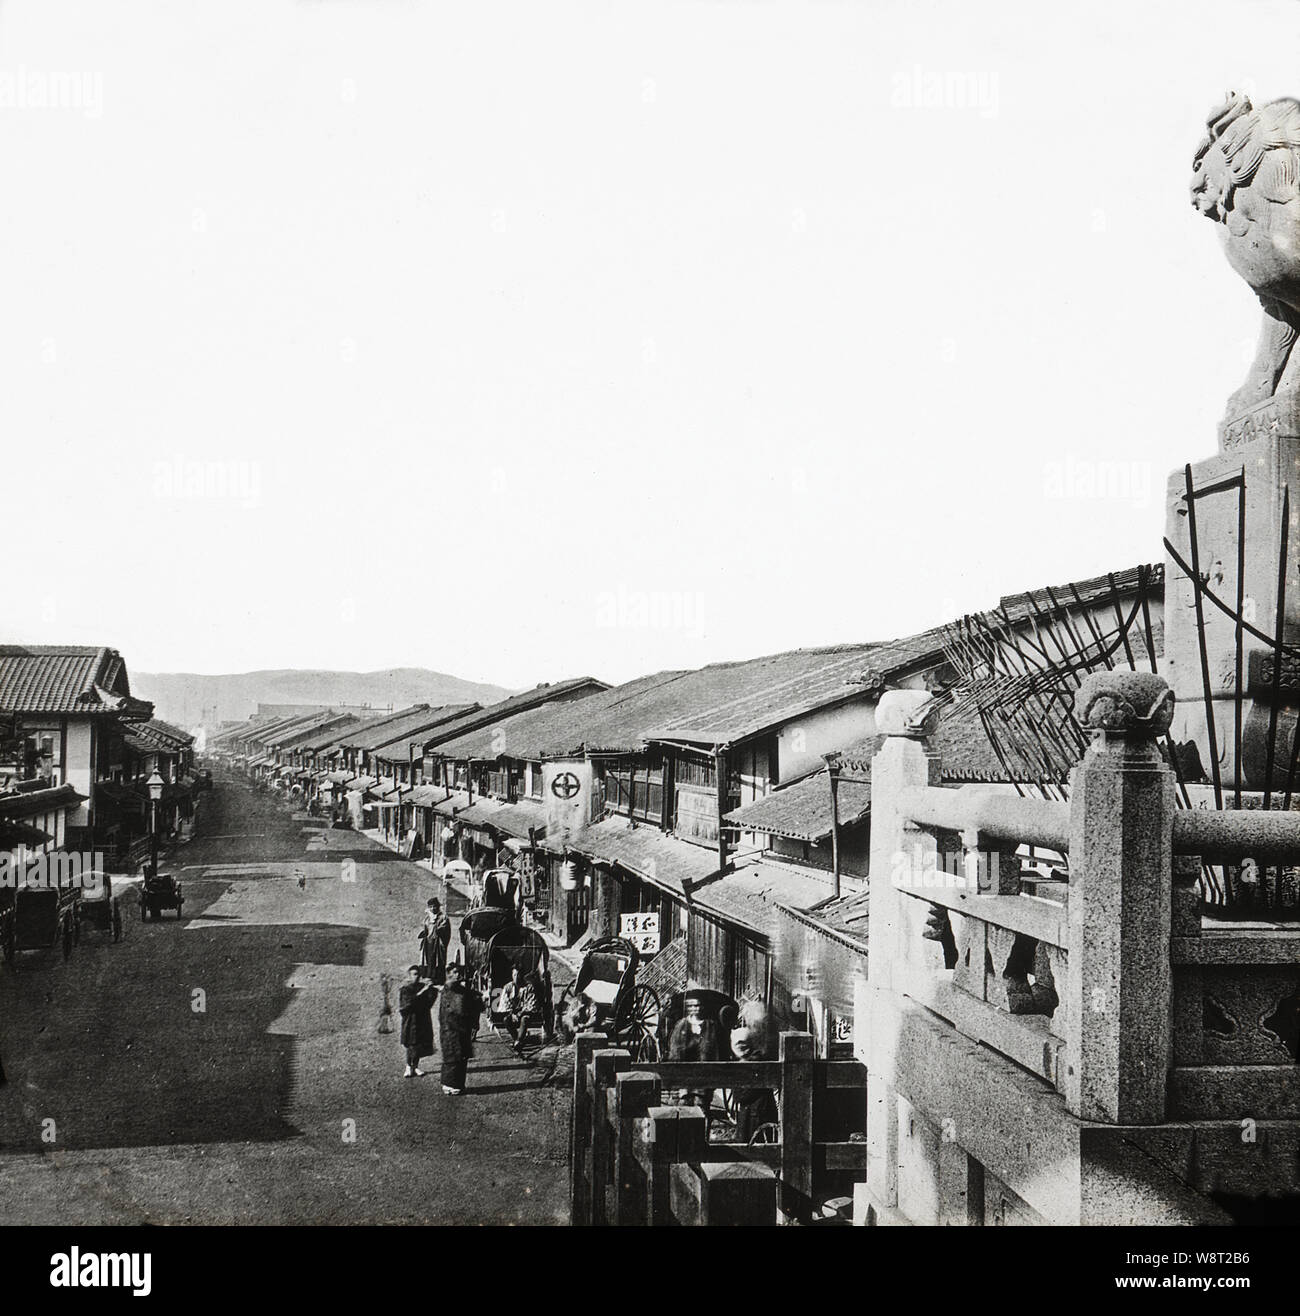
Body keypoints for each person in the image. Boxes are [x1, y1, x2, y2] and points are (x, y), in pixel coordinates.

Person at [667, 994, 721, 1115]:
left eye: (698, 1005)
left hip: (703, 1074)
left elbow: (714, 1050)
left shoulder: (710, 1025)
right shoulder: (681, 1025)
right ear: (687, 1008)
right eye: (692, 1006)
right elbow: (675, 1050)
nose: (695, 1008)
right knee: (684, 1106)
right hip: (684, 1074)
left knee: (701, 1107)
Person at [437, 963, 483, 1094]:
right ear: (449, 974)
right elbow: (459, 1008)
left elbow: (469, 995)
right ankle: (448, 1084)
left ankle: (457, 1084)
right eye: (455, 972)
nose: (458, 975)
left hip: (461, 1028)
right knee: (452, 1056)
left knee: (461, 1056)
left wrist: (477, 996)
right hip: (451, 1029)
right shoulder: (449, 990)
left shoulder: (459, 989)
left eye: (459, 972)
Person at [398, 965, 436, 1078]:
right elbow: (406, 1005)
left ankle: (416, 1066)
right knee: (411, 1044)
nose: (417, 977)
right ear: (409, 976)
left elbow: (429, 1003)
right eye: (414, 974)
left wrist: (432, 989)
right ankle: (408, 1066)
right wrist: (422, 992)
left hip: (422, 1020)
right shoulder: (405, 989)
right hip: (410, 1021)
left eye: (418, 974)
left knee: (418, 1044)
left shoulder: (422, 986)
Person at [501, 966, 542, 1051]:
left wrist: (520, 1013)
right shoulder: (508, 987)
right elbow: (506, 1003)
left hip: (527, 1013)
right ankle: (517, 1039)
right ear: (512, 975)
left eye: (518, 975)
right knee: (506, 1020)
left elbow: (531, 1004)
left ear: (521, 976)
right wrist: (512, 1014)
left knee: (525, 1019)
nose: (516, 977)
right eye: (514, 975)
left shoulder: (529, 987)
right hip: (514, 1013)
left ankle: (519, 1041)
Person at [419, 897, 451, 985]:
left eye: (435, 906)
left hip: (438, 943)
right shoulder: (427, 918)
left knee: (439, 960)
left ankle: (439, 980)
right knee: (429, 960)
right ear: (428, 908)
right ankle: (430, 978)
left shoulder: (443, 917)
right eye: (431, 907)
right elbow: (425, 928)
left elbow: (443, 929)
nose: (433, 908)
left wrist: (435, 926)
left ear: (438, 907)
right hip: (429, 943)